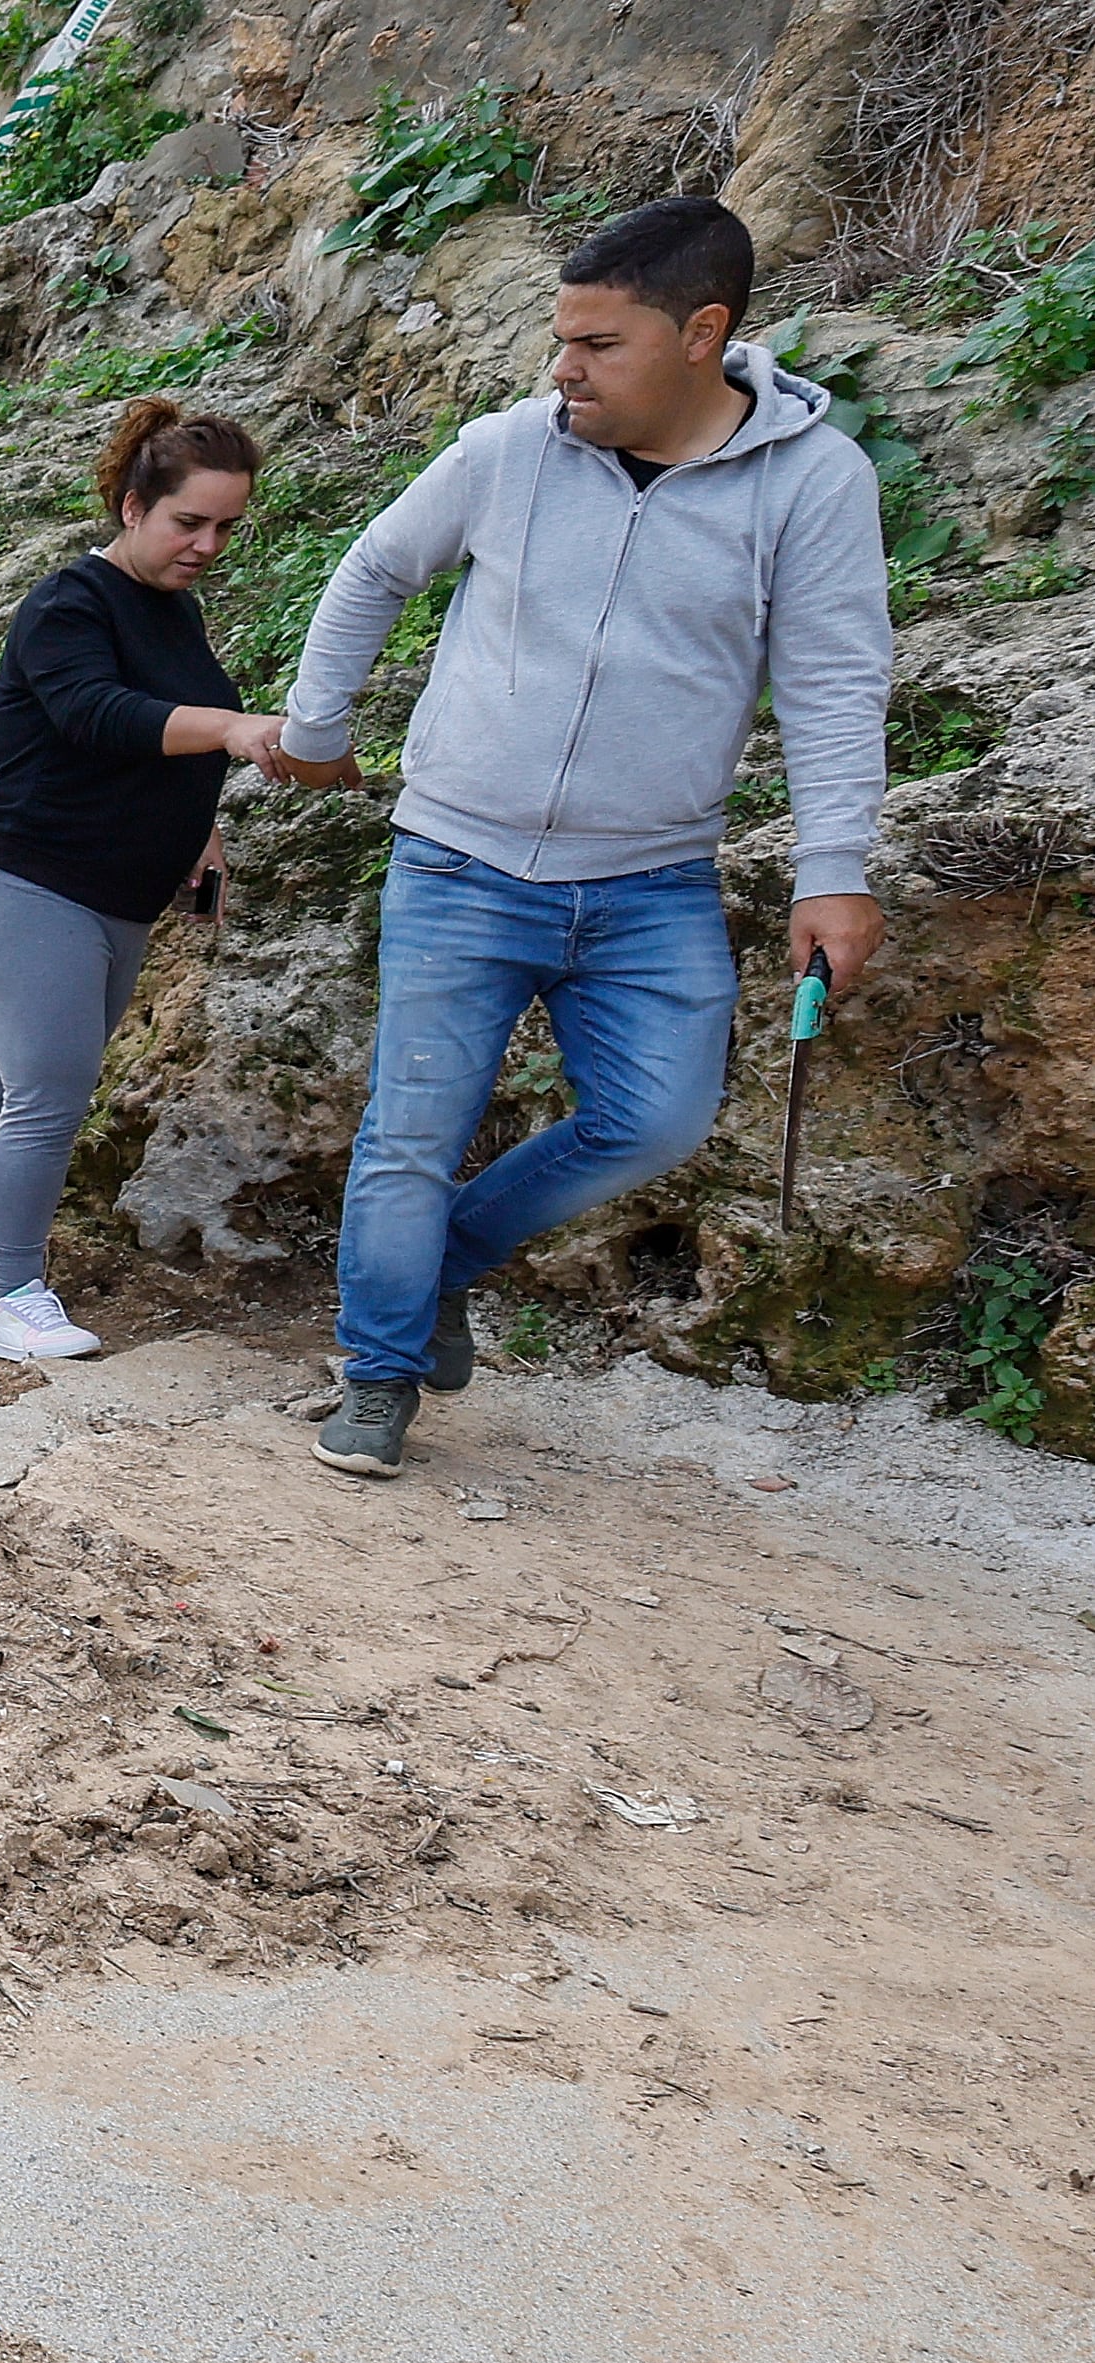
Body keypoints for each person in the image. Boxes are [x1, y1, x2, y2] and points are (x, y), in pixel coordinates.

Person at [270, 193, 892, 1478]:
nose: (563, 368)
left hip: (650, 876)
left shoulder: (814, 482)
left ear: (700, 334)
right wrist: (315, 724)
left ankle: (432, 1265)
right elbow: (376, 567)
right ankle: (378, 1372)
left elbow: (835, 681)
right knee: (407, 1135)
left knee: (657, 1119)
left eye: (596, 344)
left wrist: (833, 873)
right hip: (455, 857)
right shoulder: (508, 450)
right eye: (560, 341)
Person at [0, 399, 285, 1360]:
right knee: (50, 1092)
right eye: (187, 522)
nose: (206, 544)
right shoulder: (67, 605)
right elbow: (100, 716)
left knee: (15, 1082)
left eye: (224, 527)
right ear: (131, 507)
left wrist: (200, 834)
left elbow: (166, 739)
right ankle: (10, 1300)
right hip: (32, 882)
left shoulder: (174, 611)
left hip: (117, 893)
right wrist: (237, 731)